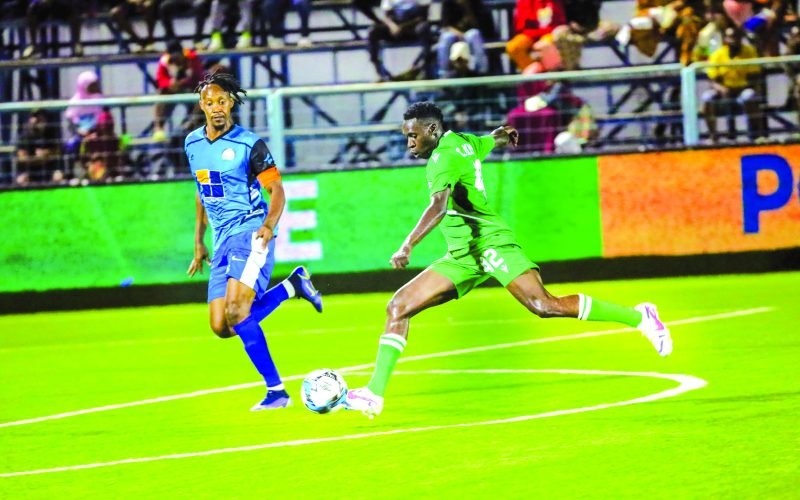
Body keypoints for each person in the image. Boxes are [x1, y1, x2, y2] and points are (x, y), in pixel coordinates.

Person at [343, 101, 672, 418]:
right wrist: (502, 135)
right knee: (398, 307)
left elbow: (438, 207)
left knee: (544, 305)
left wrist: (407, 245)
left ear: (431, 129)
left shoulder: (442, 158)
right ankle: (374, 392)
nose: (409, 142)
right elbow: (489, 140)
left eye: (413, 135)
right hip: (462, 255)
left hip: (491, 243)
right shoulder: (462, 141)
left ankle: (640, 317)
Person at [186, 71, 323, 410]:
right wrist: (199, 242)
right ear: (201, 106)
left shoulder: (249, 144)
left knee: (236, 310)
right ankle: (293, 287)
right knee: (221, 326)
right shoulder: (192, 144)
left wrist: (269, 224)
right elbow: (202, 192)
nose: (217, 107)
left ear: (231, 102)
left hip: (249, 232)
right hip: (220, 241)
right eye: (210, 102)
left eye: (222, 100)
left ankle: (276, 391)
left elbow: (276, 189)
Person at [701, 27, 762, 143]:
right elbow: (712, 78)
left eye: (736, 37)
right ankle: (713, 136)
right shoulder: (717, 54)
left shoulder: (749, 51)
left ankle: (756, 135)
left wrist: (741, 87)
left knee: (749, 96)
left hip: (742, 89)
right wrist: (721, 88)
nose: (733, 40)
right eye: (730, 38)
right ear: (725, 40)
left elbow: (754, 76)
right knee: (707, 98)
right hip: (723, 91)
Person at [153, 40, 204, 141]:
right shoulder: (164, 62)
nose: (176, 60)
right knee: (161, 95)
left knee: (203, 95)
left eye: (178, 57)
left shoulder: (192, 58)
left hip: (190, 89)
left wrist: (184, 82)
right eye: (173, 57)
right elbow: (160, 79)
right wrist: (170, 84)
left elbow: (200, 77)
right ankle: (159, 127)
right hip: (172, 90)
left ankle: (192, 122)